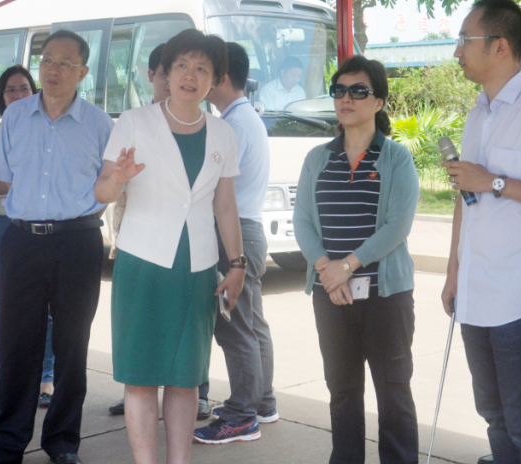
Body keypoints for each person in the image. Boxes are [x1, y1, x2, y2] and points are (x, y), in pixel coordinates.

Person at [95, 28, 245, 464]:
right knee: (141, 376)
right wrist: (119, 178)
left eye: (202, 68)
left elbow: (225, 206)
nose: (190, 76)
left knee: (185, 377)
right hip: (143, 262)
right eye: (182, 66)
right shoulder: (133, 122)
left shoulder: (223, 134)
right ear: (166, 72)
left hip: (197, 267)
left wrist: (237, 264)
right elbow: (101, 192)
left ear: (215, 79)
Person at [0, 30, 113, 464]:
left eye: (65, 63)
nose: (53, 69)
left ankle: (62, 442)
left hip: (78, 241)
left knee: (73, 344)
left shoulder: (100, 124)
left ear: (83, 71)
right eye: (48, 60)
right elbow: (3, 179)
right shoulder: (17, 116)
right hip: (22, 239)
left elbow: (109, 187)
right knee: (17, 344)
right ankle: (6, 442)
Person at [293, 55, 420, 464]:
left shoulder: (396, 158)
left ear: (378, 102)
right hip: (331, 295)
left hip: (386, 295)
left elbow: (397, 226)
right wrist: (326, 271)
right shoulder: (317, 158)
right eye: (339, 90)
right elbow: (302, 221)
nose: (346, 98)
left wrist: (345, 266)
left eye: (358, 91)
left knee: (393, 391)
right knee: (343, 392)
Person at [442, 1, 521, 462]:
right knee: (494, 415)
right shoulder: (477, 114)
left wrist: (494, 181)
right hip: (475, 292)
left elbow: (491, 184)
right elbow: (466, 198)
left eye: (466, 39)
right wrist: (453, 273)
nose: (458, 51)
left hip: (520, 297)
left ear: (500, 46)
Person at [193, 42, 276, 444]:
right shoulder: (246, 117)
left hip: (234, 233)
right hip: (249, 228)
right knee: (252, 324)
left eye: (206, 71)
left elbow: (213, 187)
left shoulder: (231, 126)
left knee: (234, 329)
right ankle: (262, 402)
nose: (200, 80)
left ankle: (243, 416)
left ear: (222, 78)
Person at [0, 65, 56, 408]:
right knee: (5, 305)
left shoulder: (49, 130)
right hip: (3, 224)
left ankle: (46, 378)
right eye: (11, 89)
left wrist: (17, 184)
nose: (18, 94)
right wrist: (32, 185)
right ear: (1, 97)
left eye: (24, 88)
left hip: (41, 223)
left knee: (47, 307)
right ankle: (10, 378)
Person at [107, 42, 170, 417]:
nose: (173, 82)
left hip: (185, 247)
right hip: (138, 243)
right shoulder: (133, 123)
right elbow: (106, 188)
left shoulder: (207, 127)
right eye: (166, 74)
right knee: (141, 331)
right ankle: (138, 387)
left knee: (181, 336)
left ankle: (197, 390)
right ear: (151, 76)